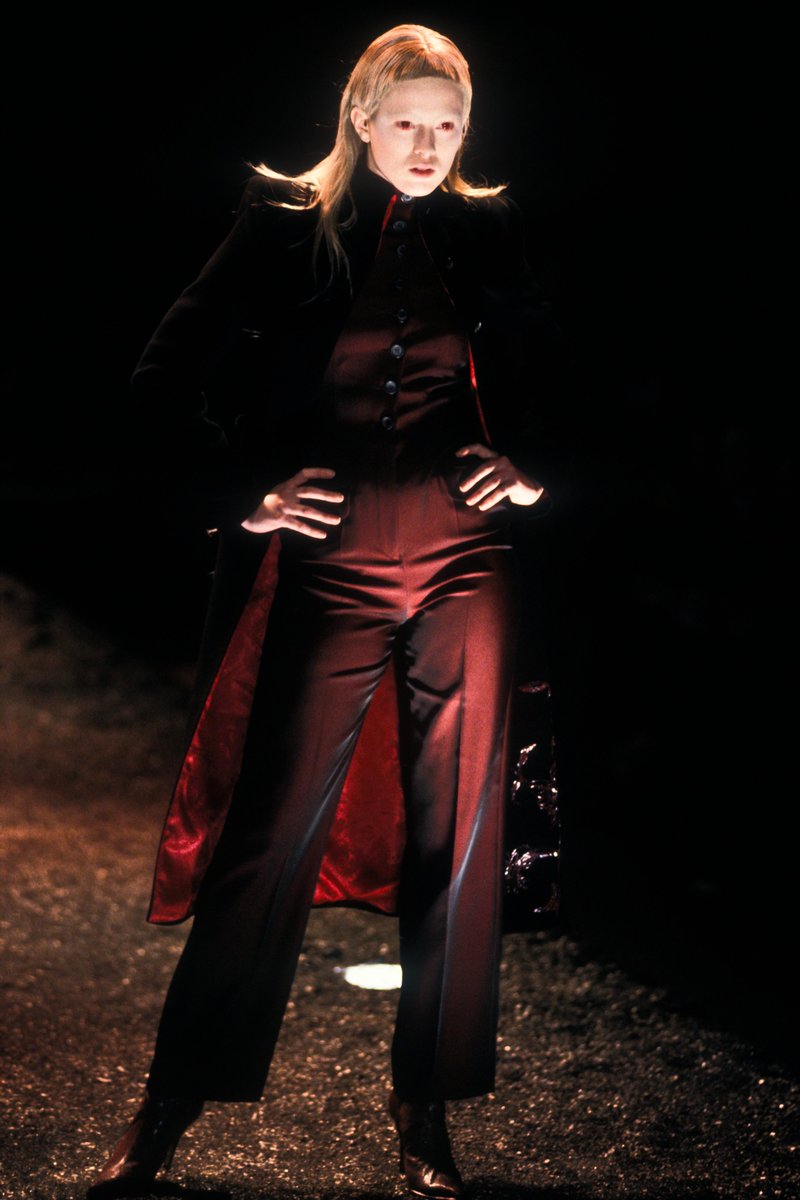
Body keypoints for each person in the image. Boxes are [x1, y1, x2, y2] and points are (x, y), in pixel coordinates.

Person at [87, 22, 566, 1200]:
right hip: (329, 561)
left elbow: (575, 378)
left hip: (465, 563)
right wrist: (245, 490)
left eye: (447, 126)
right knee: (267, 837)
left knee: (458, 841)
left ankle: (426, 1117)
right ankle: (168, 1107)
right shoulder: (282, 225)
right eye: (406, 122)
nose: (427, 145)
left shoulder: (489, 230)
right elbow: (159, 377)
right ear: (360, 117)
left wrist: (533, 468)